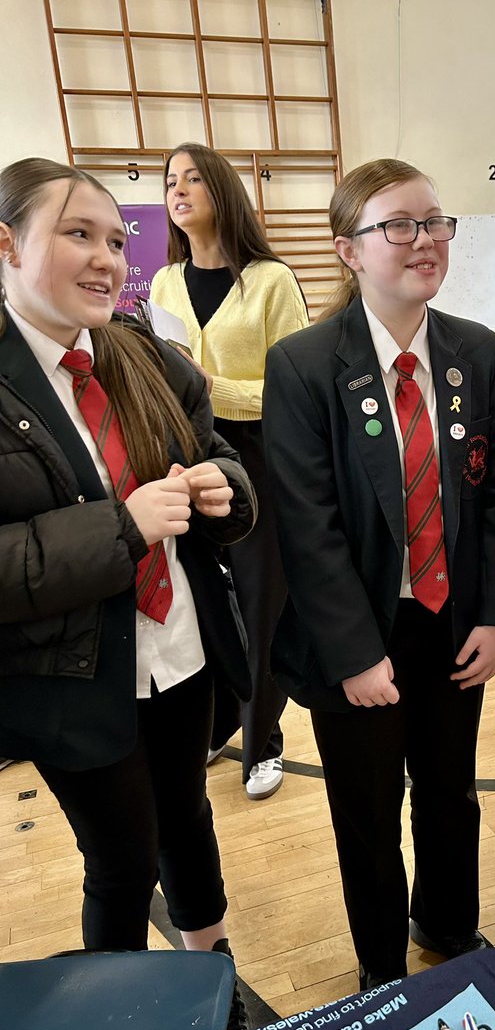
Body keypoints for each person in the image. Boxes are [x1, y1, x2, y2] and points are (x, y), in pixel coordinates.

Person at [0, 158, 256, 1027]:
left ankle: (211, 979)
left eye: (116, 239)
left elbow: (213, 446)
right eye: (78, 234)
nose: (108, 258)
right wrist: (124, 528)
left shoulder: (138, 350)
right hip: (74, 680)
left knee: (187, 818)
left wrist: (225, 486)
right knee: (121, 862)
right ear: (7, 244)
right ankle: (117, 1028)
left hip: (180, 649)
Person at [262, 158, 495, 990]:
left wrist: (494, 614)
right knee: (368, 816)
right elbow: (307, 526)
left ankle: (448, 926)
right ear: (349, 250)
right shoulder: (304, 364)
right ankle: (381, 965)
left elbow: (494, 496)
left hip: (450, 622)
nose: (424, 240)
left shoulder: (476, 352)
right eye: (398, 226)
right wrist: (352, 653)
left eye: (435, 222)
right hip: (359, 634)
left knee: (451, 793)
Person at [150, 143, 309, 800]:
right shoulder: (161, 283)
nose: (177, 190)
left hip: (259, 456)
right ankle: (221, 721)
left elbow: (294, 387)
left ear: (221, 189)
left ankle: (264, 737)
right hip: (185, 455)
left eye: (192, 178)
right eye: (168, 182)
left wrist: (214, 389)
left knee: (261, 600)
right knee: (204, 596)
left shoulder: (270, 279)